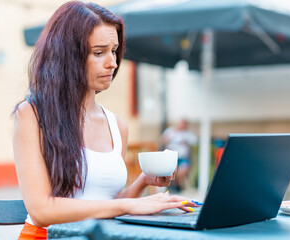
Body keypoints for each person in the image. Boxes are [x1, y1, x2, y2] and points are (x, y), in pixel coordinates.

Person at [13, 1, 197, 239]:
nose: (112, 62)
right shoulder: (32, 115)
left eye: (114, 50)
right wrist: (129, 207)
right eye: (99, 52)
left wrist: (143, 182)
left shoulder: (117, 126)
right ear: (68, 56)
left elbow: (105, 206)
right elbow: (41, 211)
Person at [161, 119, 198, 191]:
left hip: (183, 157)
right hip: (171, 157)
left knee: (183, 170)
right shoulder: (170, 131)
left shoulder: (188, 134)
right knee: (170, 171)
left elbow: (194, 142)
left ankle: (176, 184)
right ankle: (173, 185)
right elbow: (163, 140)